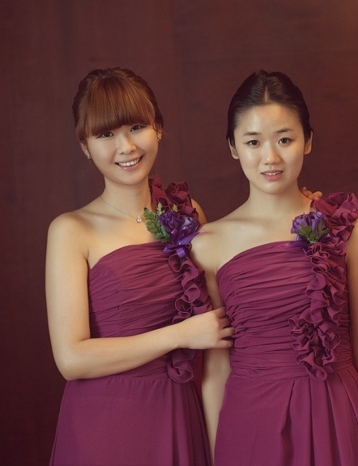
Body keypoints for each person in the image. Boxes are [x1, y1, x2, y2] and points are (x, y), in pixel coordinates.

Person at [191, 70, 358, 465]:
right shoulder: (208, 244)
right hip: (250, 425)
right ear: (234, 147)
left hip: (337, 413)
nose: (270, 158)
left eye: (284, 139)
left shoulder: (348, 229)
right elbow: (215, 369)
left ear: (308, 141)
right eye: (253, 142)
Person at [46, 67, 234, 465]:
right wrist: (180, 335)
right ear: (85, 145)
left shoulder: (189, 214)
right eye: (105, 135)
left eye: (136, 127)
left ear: (158, 128)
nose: (126, 146)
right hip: (106, 422)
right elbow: (71, 358)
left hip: (181, 412)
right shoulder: (71, 230)